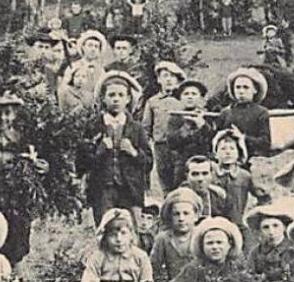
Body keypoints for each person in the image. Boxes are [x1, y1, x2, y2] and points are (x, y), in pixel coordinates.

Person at [0, 92, 46, 265]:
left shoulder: (22, 137)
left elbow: (37, 161)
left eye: (7, 113)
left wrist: (41, 167)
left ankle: (15, 279)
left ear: (15, 114)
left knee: (18, 242)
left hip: (18, 199)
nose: (2, 118)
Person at [77, 71, 151, 227]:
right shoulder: (93, 126)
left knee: (132, 231)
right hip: (103, 189)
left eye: (120, 95)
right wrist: (101, 150)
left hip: (130, 190)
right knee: (105, 230)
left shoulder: (136, 128)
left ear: (128, 99)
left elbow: (148, 162)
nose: (116, 99)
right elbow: (82, 163)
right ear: (103, 98)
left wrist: (134, 152)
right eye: (111, 95)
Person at [68, 208, 156, 282]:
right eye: (113, 235)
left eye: (123, 233)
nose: (119, 239)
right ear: (105, 237)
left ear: (131, 235)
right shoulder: (97, 257)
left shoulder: (140, 256)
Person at [143, 61, 185, 191]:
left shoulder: (183, 100)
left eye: (173, 77)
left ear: (178, 81)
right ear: (159, 80)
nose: (169, 80)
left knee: (180, 179)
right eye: (165, 76)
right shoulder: (153, 102)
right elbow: (146, 127)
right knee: (164, 178)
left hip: (180, 147)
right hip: (161, 146)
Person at [150, 186, 203, 282]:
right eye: (176, 214)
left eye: (186, 213)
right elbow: (154, 269)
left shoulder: (201, 237)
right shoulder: (163, 239)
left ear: (196, 216)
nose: (181, 218)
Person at [164, 79, 216, 176]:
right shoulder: (175, 118)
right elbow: (171, 143)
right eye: (186, 94)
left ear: (201, 98)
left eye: (194, 94)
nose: (190, 97)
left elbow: (213, 140)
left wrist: (202, 125)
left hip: (205, 162)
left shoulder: (209, 116)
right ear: (180, 98)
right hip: (182, 164)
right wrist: (186, 128)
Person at [218, 67, 272, 157]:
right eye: (238, 87)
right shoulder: (226, 112)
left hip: (254, 157)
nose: (241, 91)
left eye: (246, 87)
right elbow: (217, 139)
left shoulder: (261, 112)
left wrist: (243, 137)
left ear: (255, 90)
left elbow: (265, 142)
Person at [211, 127, 261, 224]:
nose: (228, 152)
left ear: (238, 153)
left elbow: (262, 196)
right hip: (214, 224)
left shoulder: (244, 176)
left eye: (232, 149)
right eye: (223, 149)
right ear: (216, 154)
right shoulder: (210, 175)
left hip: (237, 223)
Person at [59, 30, 108, 112]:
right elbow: (63, 89)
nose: (93, 49)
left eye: (96, 47)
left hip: (95, 108)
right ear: (83, 47)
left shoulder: (101, 70)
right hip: (76, 107)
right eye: (90, 45)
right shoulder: (74, 66)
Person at [245, 205, 294, 282]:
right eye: (266, 227)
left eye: (276, 226)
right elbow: (249, 275)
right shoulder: (256, 252)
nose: (271, 231)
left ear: (284, 227)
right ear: (260, 231)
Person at [182, 156, 228, 220]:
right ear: (187, 176)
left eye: (205, 173)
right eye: (195, 174)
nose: (200, 179)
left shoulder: (219, 197)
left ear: (211, 175)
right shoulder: (179, 198)